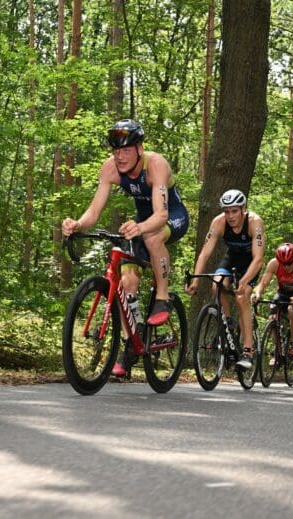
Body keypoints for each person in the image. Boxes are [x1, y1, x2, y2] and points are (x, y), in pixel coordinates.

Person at [62, 119, 190, 377]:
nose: (120, 156)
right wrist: (77, 225)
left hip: (171, 217)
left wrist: (141, 228)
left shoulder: (156, 165)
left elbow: (161, 215)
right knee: (127, 281)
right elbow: (94, 212)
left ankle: (163, 298)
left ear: (140, 149)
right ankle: (132, 341)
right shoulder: (110, 168)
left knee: (152, 237)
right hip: (143, 220)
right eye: (116, 151)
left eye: (126, 150)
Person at [185, 189, 265, 369]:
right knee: (217, 284)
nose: (230, 216)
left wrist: (244, 282)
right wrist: (196, 280)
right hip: (232, 258)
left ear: (243, 209)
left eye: (235, 211)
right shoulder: (218, 222)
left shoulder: (255, 223)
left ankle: (248, 351)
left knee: (241, 296)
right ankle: (228, 322)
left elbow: (259, 258)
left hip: (250, 263)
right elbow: (205, 254)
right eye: (227, 211)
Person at [251, 242, 293, 359]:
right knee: (272, 318)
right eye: (283, 264)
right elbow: (263, 283)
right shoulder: (274, 264)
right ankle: (278, 351)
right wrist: (257, 293)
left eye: (289, 263)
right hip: (282, 293)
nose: (286, 267)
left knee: (292, 309)